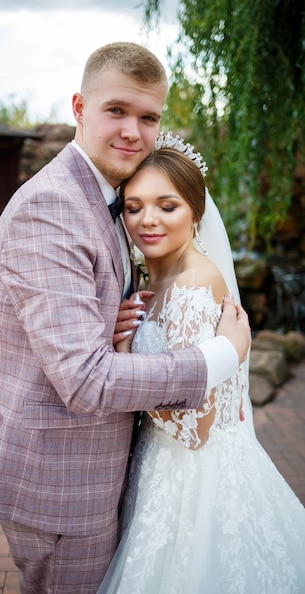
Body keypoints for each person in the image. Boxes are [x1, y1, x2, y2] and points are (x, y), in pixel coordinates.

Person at [0, 42, 251, 594]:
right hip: (60, 483)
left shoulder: (104, 194)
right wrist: (220, 355)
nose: (133, 131)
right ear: (79, 107)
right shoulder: (52, 208)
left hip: (95, 471)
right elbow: (85, 380)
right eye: (116, 111)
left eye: (148, 117)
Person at [97, 132, 305, 594]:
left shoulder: (195, 285)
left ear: (195, 211)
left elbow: (196, 428)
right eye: (133, 207)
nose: (147, 220)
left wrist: (125, 358)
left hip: (194, 479)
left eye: (166, 206)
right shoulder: (154, 274)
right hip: (158, 465)